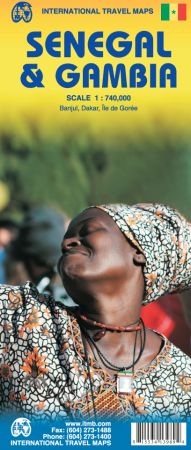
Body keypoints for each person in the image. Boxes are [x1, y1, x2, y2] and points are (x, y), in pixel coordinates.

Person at [0, 203, 191, 421]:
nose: (66, 243)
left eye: (88, 231)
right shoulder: (20, 316)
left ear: (139, 251)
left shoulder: (181, 384)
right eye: (67, 236)